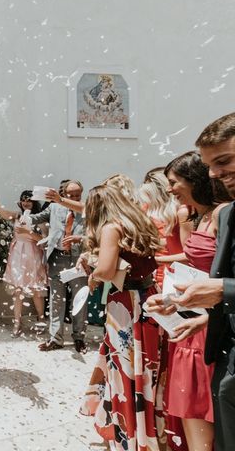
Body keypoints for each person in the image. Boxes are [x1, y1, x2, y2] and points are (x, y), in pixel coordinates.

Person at [150, 113, 235, 451]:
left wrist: (222, 290)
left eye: (224, 160)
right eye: (210, 165)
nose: (215, 173)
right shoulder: (229, 215)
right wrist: (198, 312)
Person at [79, 185, 163, 450]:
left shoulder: (110, 228)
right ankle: (146, 429)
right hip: (148, 296)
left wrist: (92, 274)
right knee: (145, 366)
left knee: (125, 369)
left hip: (126, 304)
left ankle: (128, 433)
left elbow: (105, 270)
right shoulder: (137, 221)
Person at [28, 180, 88, 353]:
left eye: (78, 195)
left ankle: (79, 337)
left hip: (78, 260)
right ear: (63, 194)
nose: (75, 198)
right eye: (71, 196)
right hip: (57, 258)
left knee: (80, 300)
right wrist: (22, 218)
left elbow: (94, 233)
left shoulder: (87, 209)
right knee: (56, 300)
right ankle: (56, 339)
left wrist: (81, 240)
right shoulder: (54, 207)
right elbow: (35, 218)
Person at [0, 184, 47, 336]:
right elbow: (0, 210)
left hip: (33, 255)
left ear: (34, 202)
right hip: (17, 255)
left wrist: (29, 232)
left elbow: (44, 240)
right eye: (23, 200)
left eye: (29, 200)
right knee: (17, 291)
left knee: (36, 290)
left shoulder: (39, 219)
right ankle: (17, 323)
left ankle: (41, 319)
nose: (26, 203)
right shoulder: (17, 216)